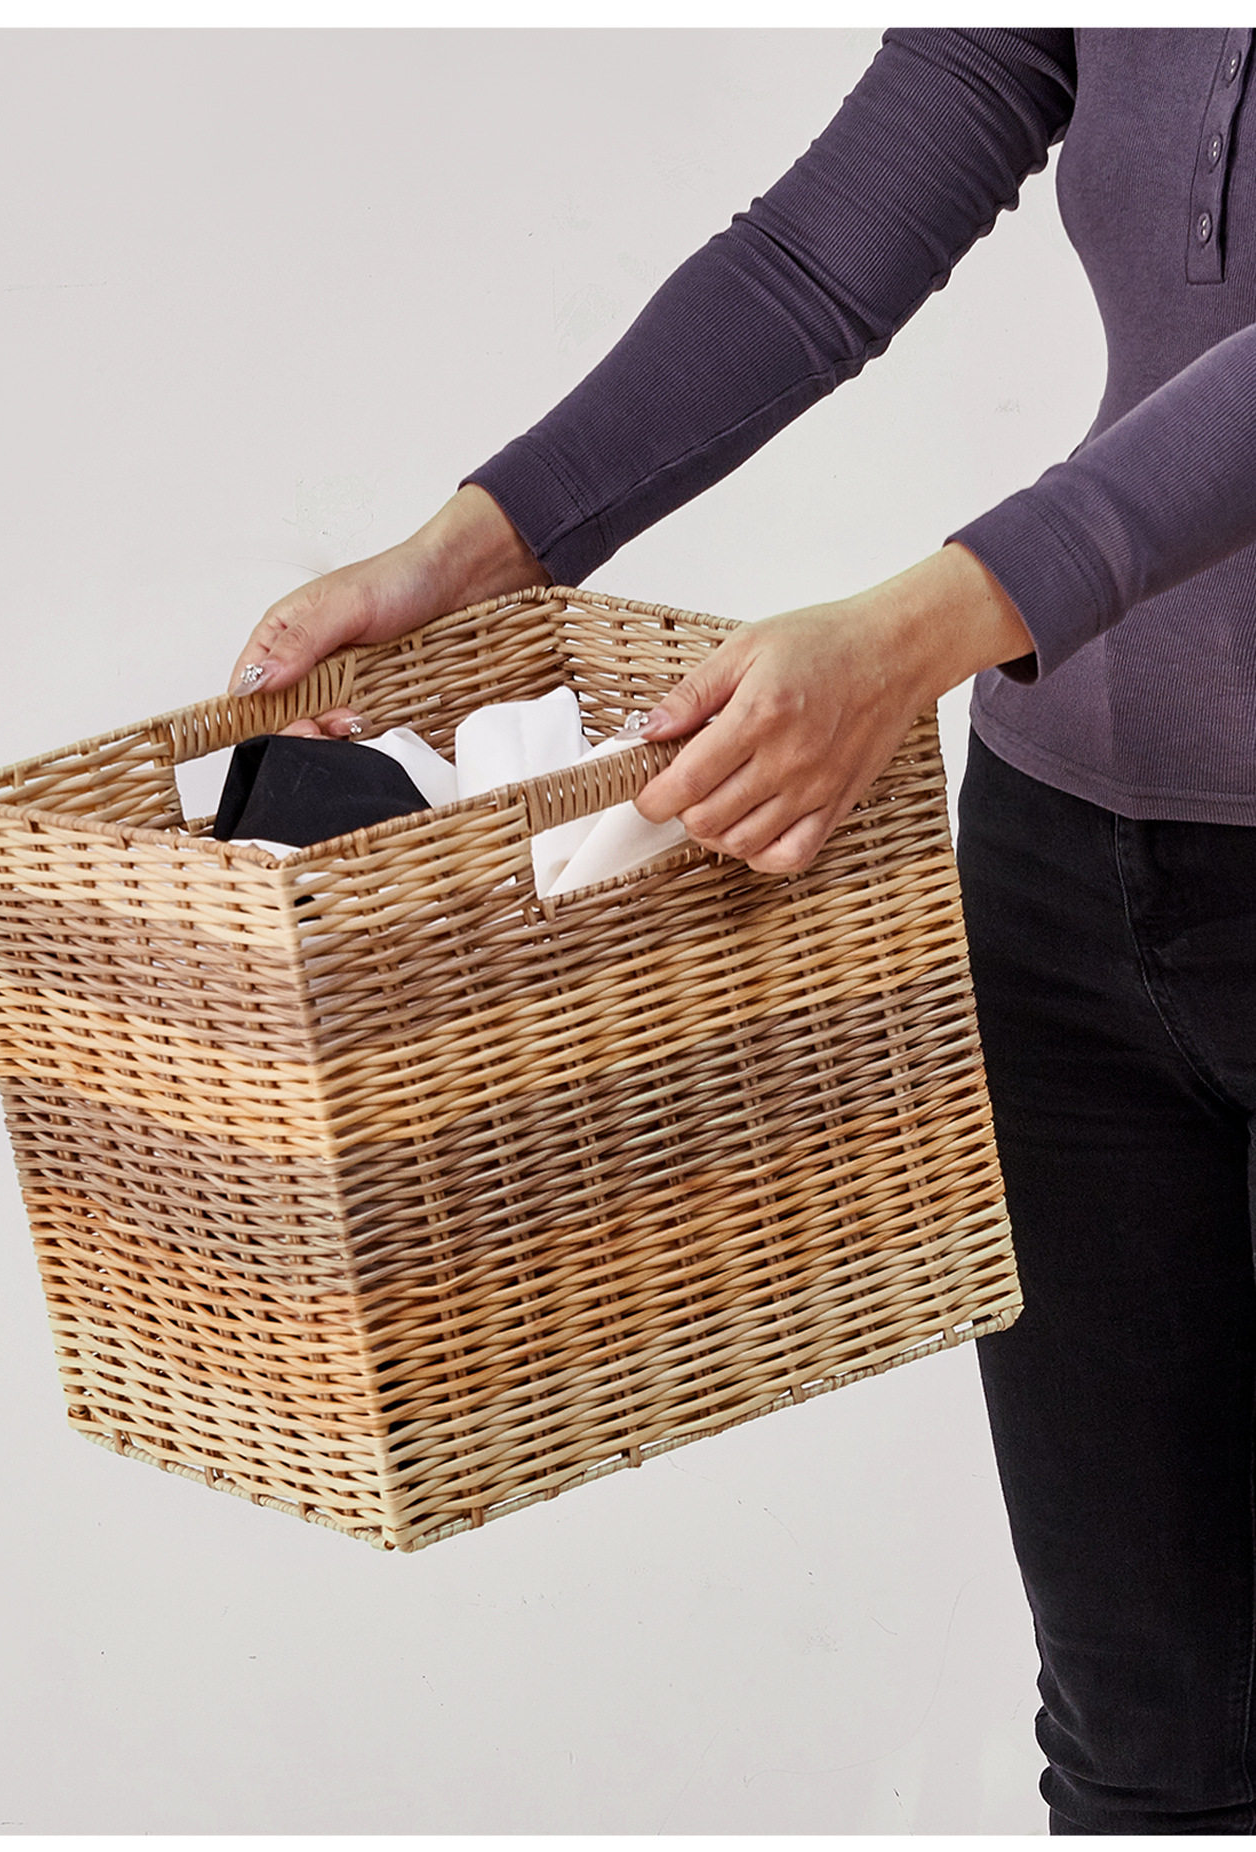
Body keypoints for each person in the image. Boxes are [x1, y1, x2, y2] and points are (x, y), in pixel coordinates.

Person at [227, 30, 1256, 1835]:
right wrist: (476, 553)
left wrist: (916, 630)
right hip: (1063, 881)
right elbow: (824, 247)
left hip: (1053, 728)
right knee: (1141, 1746)